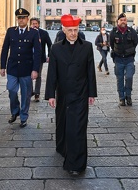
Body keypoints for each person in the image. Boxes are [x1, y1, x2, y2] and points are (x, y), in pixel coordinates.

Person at [45, 14, 97, 176]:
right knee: (63, 123)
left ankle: (76, 164)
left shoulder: (87, 47)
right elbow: (52, 73)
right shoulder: (56, 48)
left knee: (78, 128)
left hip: (80, 94)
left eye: (75, 30)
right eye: (70, 30)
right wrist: (51, 95)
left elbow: (90, 72)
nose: (73, 33)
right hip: (63, 94)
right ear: (64, 30)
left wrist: (91, 93)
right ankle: (62, 148)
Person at [0, 8, 41, 128]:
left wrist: (35, 70)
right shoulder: (11, 31)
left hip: (26, 69)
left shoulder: (34, 33)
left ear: (27, 19)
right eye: (19, 18)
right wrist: (2, 66)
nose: (21, 20)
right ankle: (15, 111)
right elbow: (5, 49)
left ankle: (23, 116)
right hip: (12, 67)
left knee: (26, 94)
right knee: (12, 90)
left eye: (23, 18)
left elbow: (37, 53)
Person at [110, 13, 138, 106]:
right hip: (118, 58)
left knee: (129, 77)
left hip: (129, 58)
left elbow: (135, 42)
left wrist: (129, 51)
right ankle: (121, 98)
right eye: (121, 20)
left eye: (125, 20)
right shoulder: (114, 32)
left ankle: (128, 96)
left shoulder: (132, 32)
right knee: (120, 79)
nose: (123, 22)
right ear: (118, 21)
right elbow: (111, 44)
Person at [30, 17, 52, 102]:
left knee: (38, 75)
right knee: (28, 75)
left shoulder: (44, 33)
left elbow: (50, 44)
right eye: (33, 23)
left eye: (36, 23)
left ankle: (37, 94)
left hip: (39, 58)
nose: (34, 25)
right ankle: (30, 91)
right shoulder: (27, 32)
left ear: (38, 24)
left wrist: (49, 55)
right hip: (28, 58)